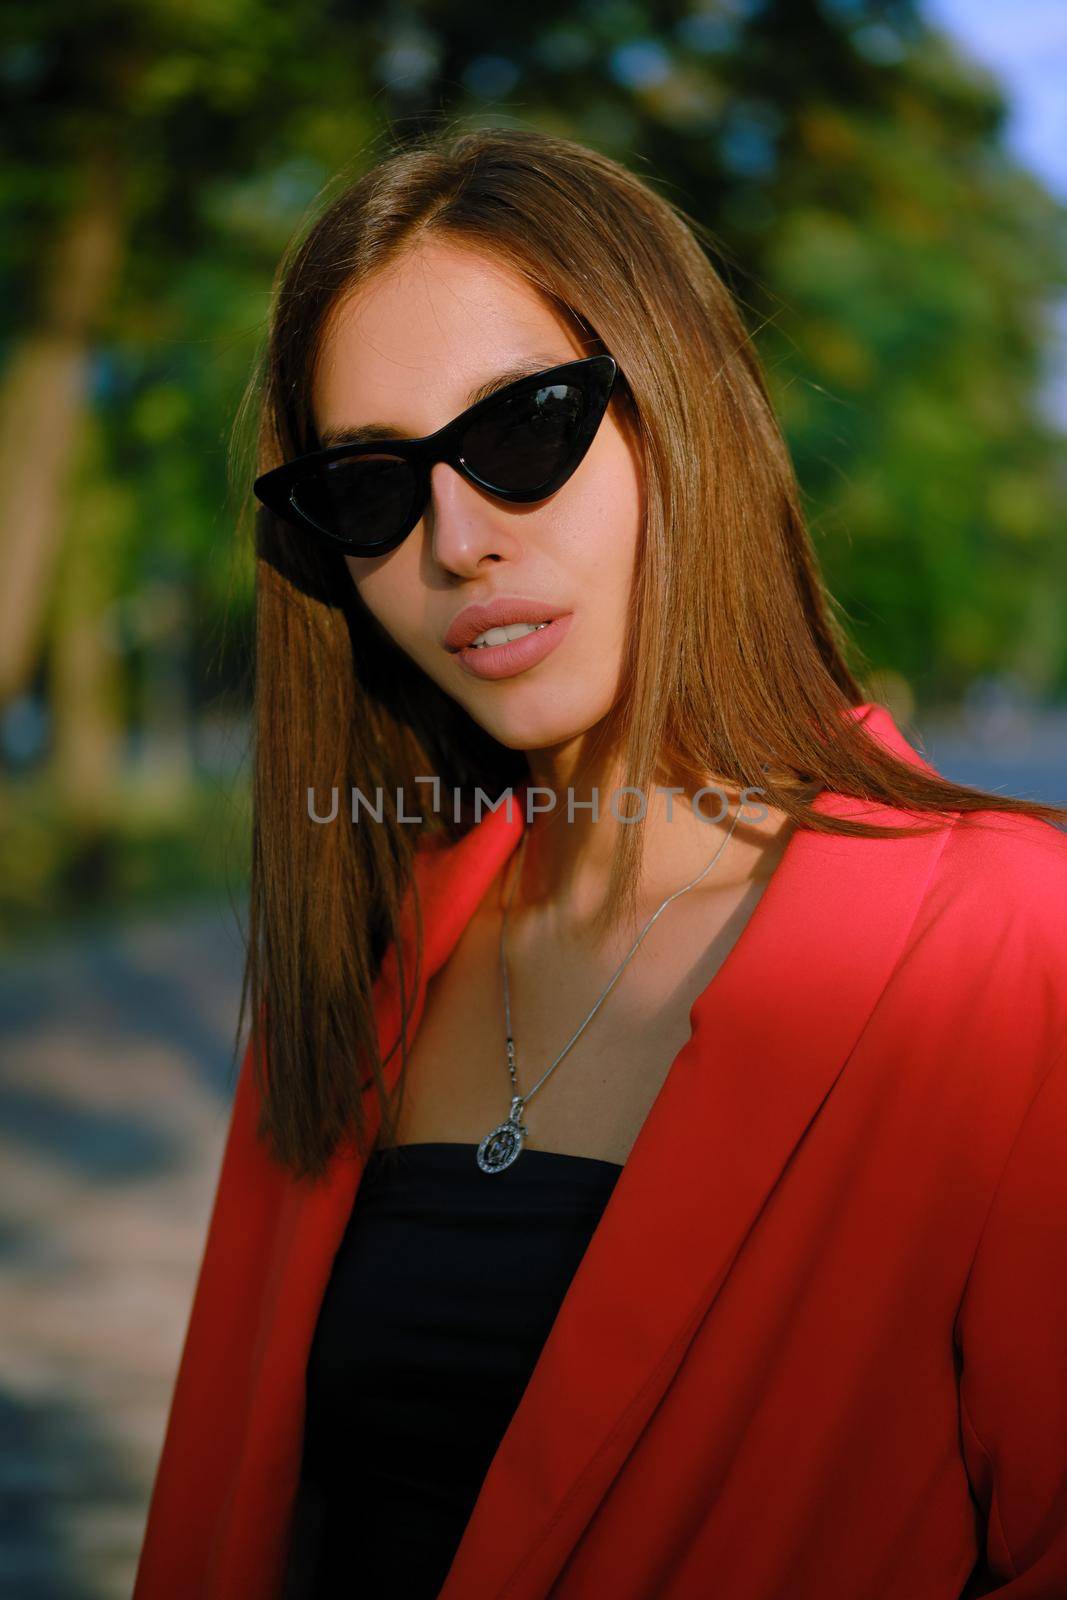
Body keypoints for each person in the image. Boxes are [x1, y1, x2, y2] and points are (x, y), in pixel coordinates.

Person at [133, 125, 1067, 1600]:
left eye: (521, 432)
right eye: (372, 486)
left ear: (683, 411)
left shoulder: (1002, 947)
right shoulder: (367, 946)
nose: (455, 540)